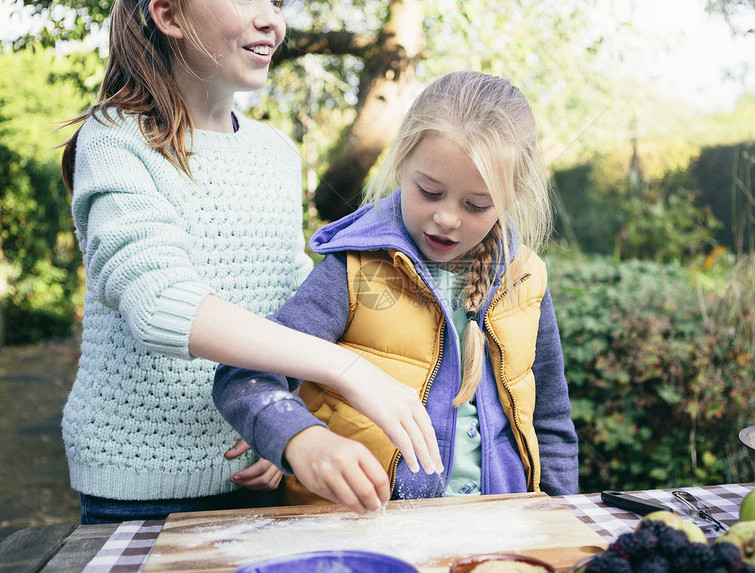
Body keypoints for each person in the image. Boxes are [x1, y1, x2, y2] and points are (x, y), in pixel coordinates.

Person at [60, 0, 442, 524]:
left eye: (278, 3)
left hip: (265, 476)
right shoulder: (113, 138)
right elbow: (159, 303)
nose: (273, 20)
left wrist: (282, 424)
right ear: (169, 16)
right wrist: (349, 371)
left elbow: (292, 307)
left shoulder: (277, 152)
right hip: (142, 494)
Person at [214, 71, 579, 503]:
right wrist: (293, 438)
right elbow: (244, 375)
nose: (447, 218)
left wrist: (562, 516)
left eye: (476, 204)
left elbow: (551, 421)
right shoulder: (352, 270)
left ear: (512, 195)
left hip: (498, 527)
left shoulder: (526, 278)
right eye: (429, 191)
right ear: (402, 164)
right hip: (364, 528)